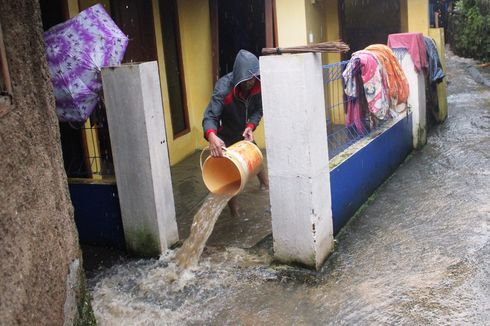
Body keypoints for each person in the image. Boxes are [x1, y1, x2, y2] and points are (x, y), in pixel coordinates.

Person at [202, 49, 268, 217]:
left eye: (254, 78)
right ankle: (234, 211)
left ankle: (265, 187)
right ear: (240, 76)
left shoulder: (257, 86)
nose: (252, 82)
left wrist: (250, 126)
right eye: (248, 78)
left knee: (257, 157)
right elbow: (210, 116)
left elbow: (259, 110)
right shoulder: (223, 88)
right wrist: (212, 136)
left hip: (244, 131)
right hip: (226, 134)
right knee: (229, 173)